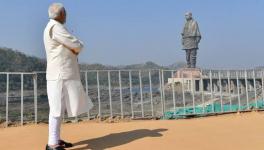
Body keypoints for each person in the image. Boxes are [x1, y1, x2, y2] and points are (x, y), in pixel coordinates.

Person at [43, 3, 93, 150]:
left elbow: (70, 46)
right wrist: (78, 47)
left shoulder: (51, 26)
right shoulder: (56, 27)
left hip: (59, 74)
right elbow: (75, 44)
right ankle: (52, 143)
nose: (66, 15)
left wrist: (73, 48)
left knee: (58, 108)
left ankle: (55, 139)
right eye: (65, 12)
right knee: (57, 109)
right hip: (60, 74)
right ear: (61, 14)